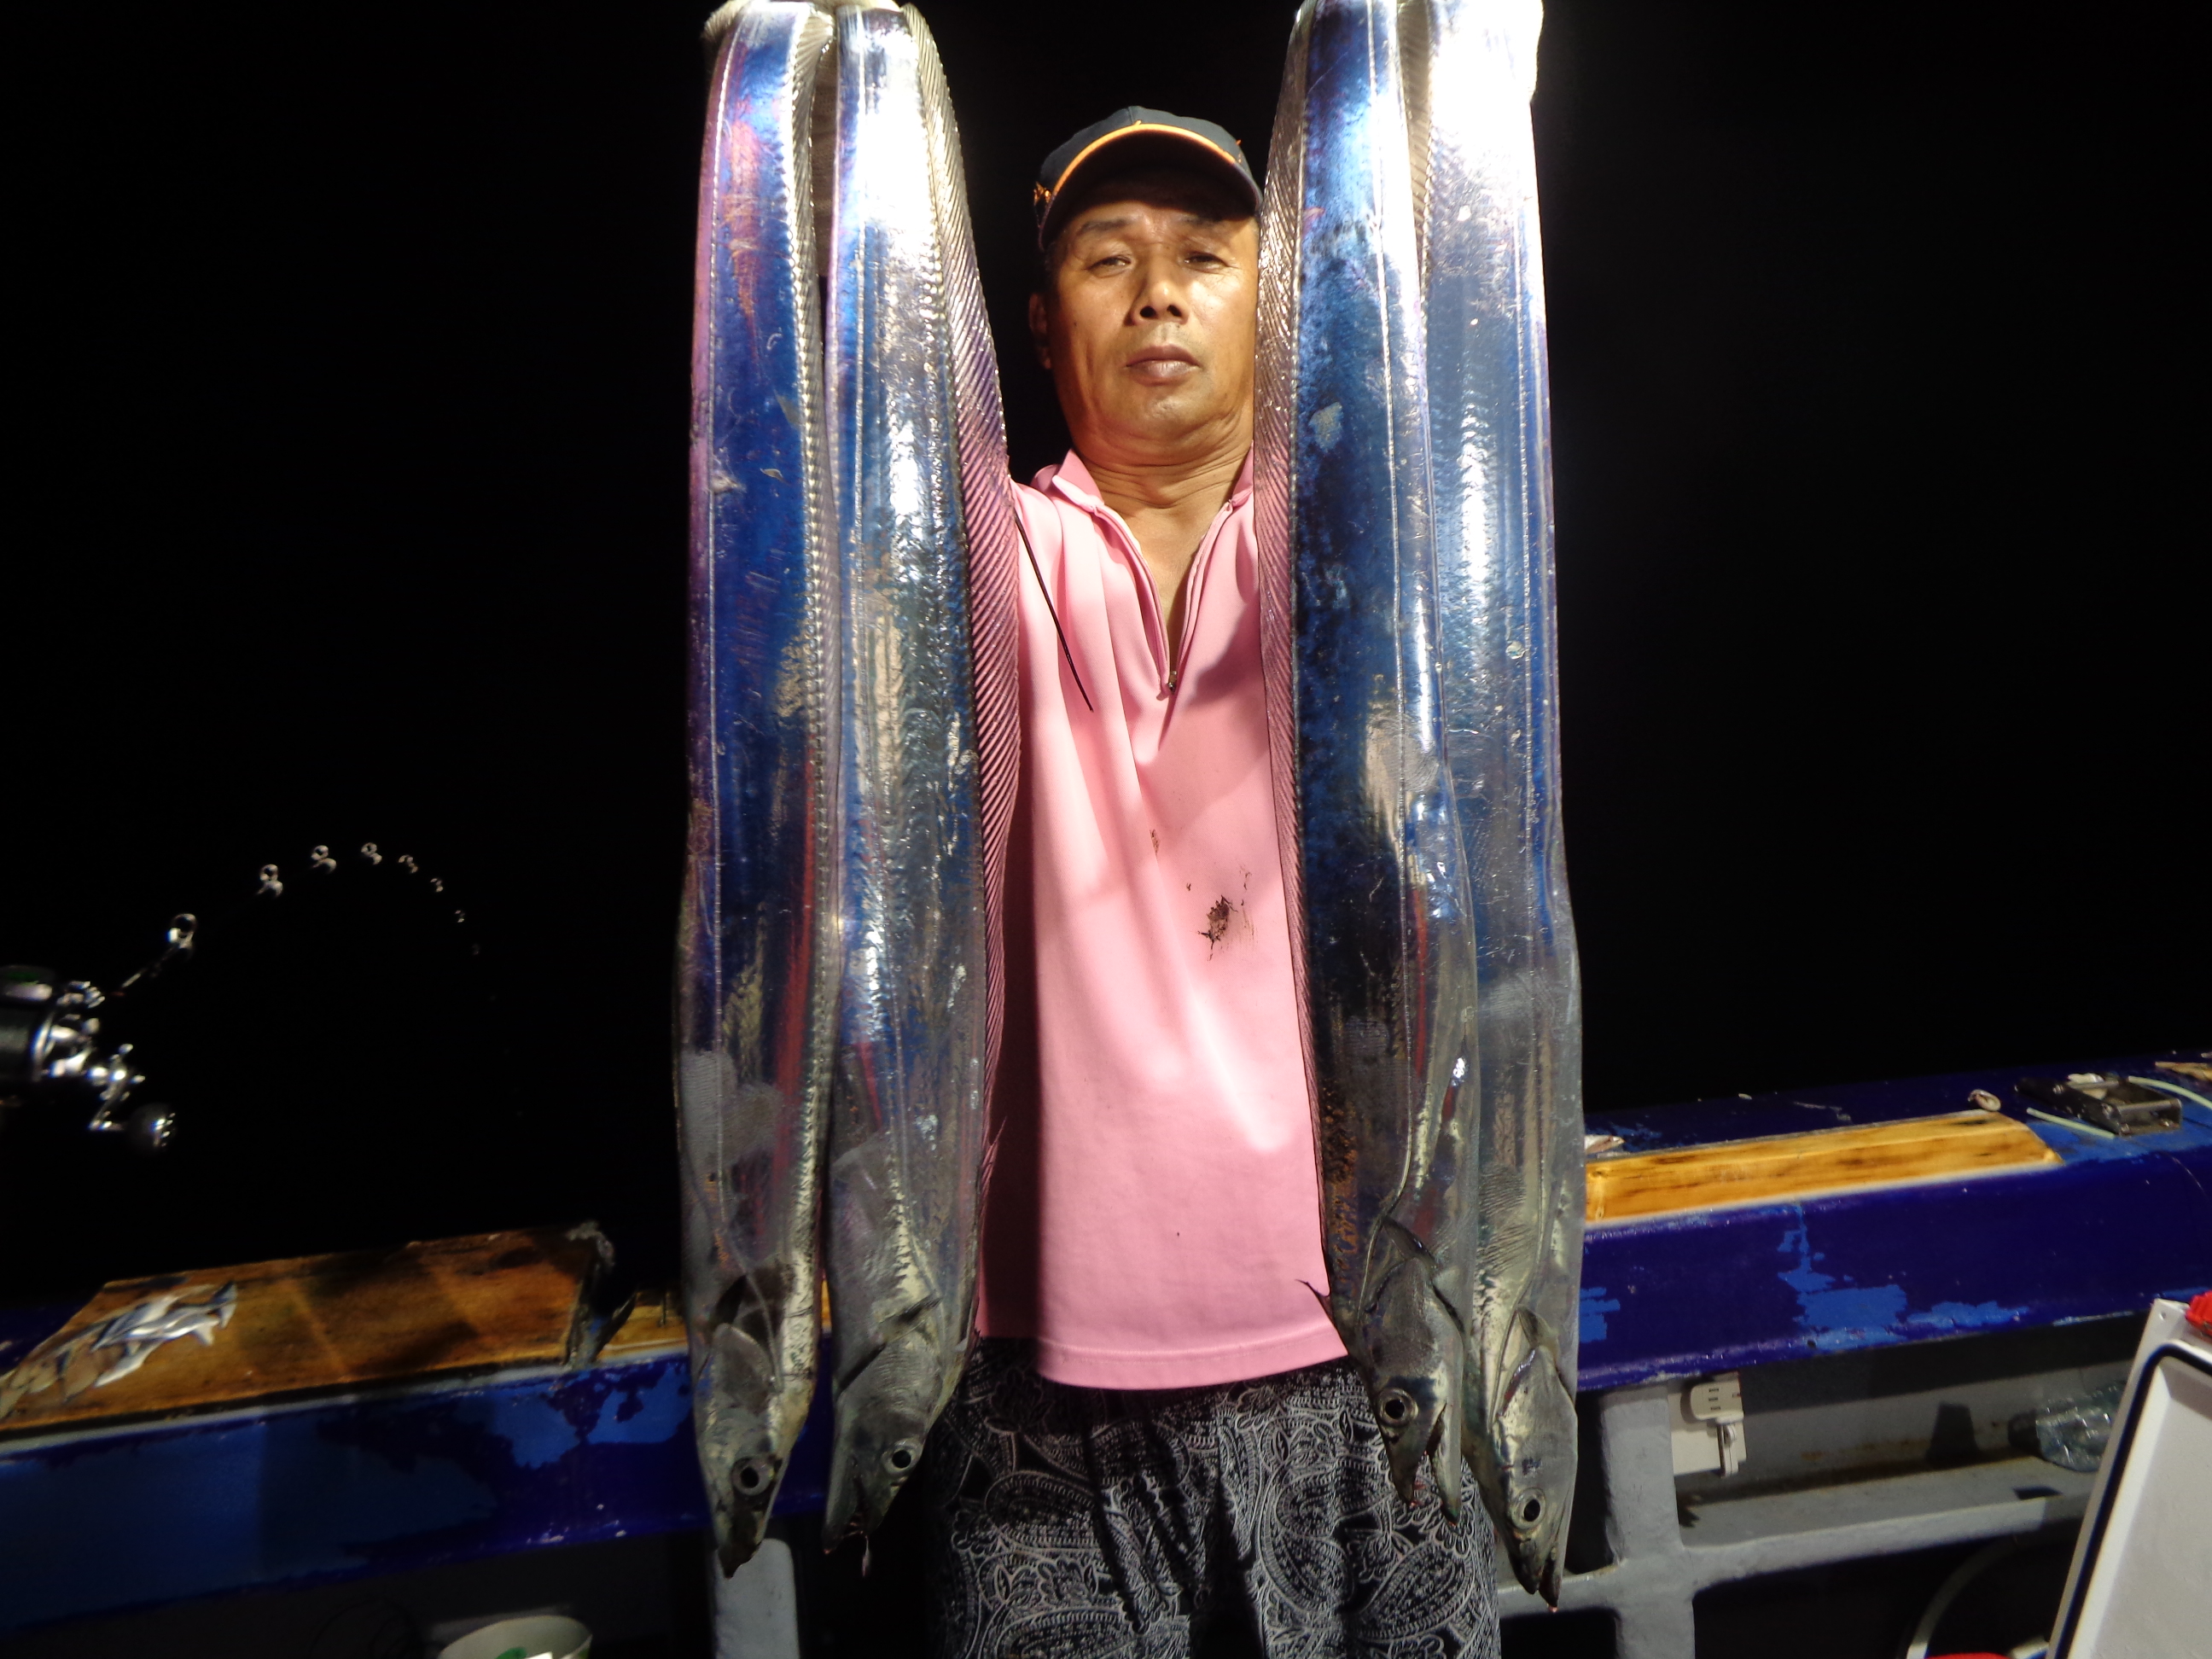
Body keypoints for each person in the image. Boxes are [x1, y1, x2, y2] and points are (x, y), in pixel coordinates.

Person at [917, 108, 1500, 1659]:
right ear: (1040, 321)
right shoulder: (985, 562)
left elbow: (1441, 352)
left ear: (1278, 304)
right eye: (1108, 261)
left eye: (1205, 256)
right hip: (1036, 1370)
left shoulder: (1358, 562)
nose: (1159, 293)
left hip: (1367, 1335)